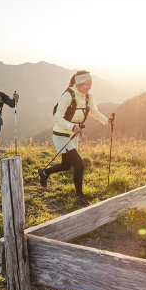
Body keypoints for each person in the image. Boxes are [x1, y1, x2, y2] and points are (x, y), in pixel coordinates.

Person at [38, 70, 113, 205]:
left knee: (66, 165)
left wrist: (107, 121)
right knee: (79, 164)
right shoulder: (68, 96)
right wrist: (72, 127)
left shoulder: (88, 96)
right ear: (78, 83)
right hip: (61, 136)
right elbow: (57, 117)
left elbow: (94, 111)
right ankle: (80, 196)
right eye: (86, 85)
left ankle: (44, 172)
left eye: (90, 85)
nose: (89, 87)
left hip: (73, 136)